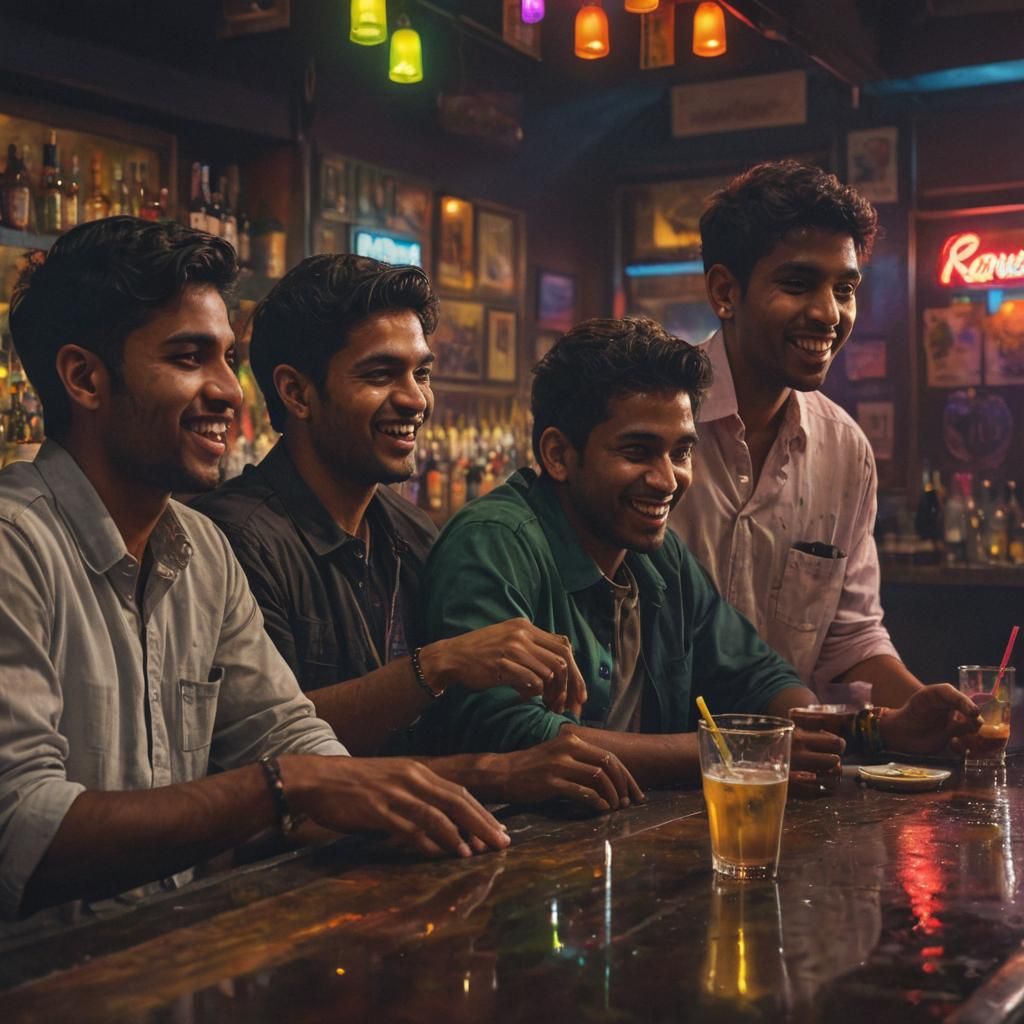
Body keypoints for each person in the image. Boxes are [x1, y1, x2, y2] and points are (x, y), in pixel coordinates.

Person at [0, 219, 509, 922]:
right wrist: (283, 789)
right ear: (85, 378)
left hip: (162, 965)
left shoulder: (201, 551)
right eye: (188, 358)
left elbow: (289, 736)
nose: (230, 393)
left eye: (227, 359)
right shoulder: (14, 548)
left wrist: (411, 813)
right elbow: (22, 834)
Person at [414, 317, 982, 786]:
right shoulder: (493, 546)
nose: (667, 480)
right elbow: (507, 735)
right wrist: (728, 753)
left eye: (681, 452)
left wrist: (875, 729)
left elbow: (757, 677)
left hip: (623, 860)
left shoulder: (655, 556)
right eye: (638, 450)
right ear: (559, 455)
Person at [193, 254, 641, 814]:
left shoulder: (407, 529)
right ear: (297, 393)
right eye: (381, 375)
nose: (415, 399)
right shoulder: (236, 540)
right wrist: (439, 670)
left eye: (421, 373)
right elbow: (265, 743)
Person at [668, 160, 928, 707]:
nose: (829, 313)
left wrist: (921, 709)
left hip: (790, 772)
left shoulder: (845, 449)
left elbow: (850, 640)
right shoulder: (647, 427)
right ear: (724, 292)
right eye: (797, 284)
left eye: (845, 288)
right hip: (640, 771)